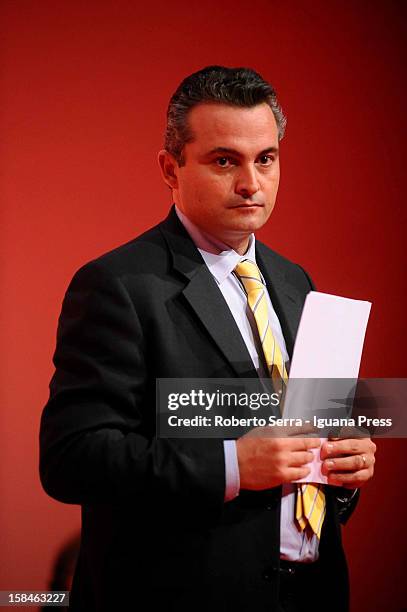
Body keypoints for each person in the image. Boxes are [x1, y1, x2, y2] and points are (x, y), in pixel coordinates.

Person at [39, 66, 376, 612]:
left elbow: (313, 440)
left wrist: (342, 471)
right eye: (225, 161)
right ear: (170, 169)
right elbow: (72, 459)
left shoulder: (297, 283)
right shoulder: (117, 286)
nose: (251, 183)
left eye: (265, 159)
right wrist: (234, 466)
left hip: (310, 595)